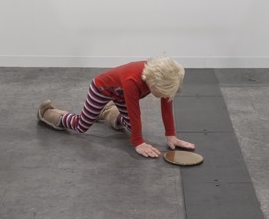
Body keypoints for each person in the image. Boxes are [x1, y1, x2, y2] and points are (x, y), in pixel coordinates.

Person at [37, 57, 195, 159]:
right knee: (82, 126)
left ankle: (105, 111)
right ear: (153, 83)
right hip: (101, 89)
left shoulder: (165, 78)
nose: (163, 96)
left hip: (120, 94)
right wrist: (138, 142)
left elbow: (166, 106)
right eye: (161, 93)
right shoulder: (132, 81)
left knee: (132, 127)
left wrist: (171, 136)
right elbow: (134, 112)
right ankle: (48, 113)